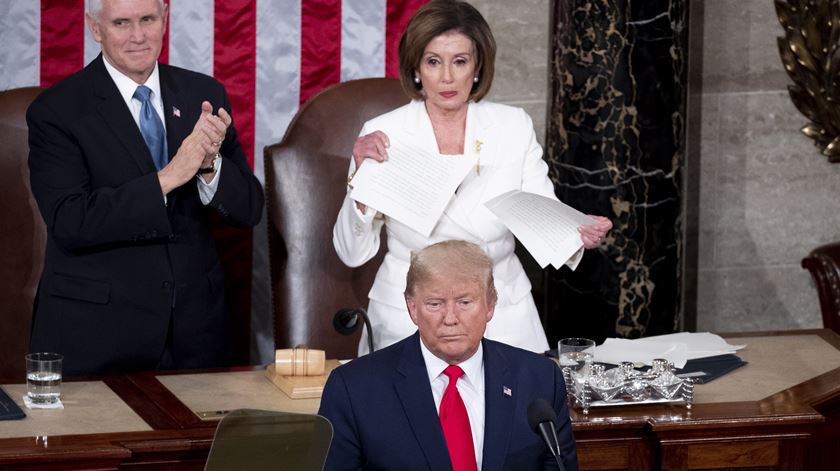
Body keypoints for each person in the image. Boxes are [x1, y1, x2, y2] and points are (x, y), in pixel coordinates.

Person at [333, 0, 612, 355]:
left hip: (502, 310)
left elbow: (543, 213)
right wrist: (362, 186)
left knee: (524, 406)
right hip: (410, 311)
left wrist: (576, 232)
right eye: (434, 62)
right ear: (416, 69)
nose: (447, 77)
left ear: (477, 68)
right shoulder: (383, 133)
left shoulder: (512, 126)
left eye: (460, 61)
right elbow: (351, 252)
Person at [26, 0, 264, 376]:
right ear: (95, 28)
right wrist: (169, 177)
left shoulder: (203, 94)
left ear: (165, 18)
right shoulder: (57, 110)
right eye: (121, 22)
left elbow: (249, 209)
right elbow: (70, 220)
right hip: (99, 335)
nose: (138, 36)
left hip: (195, 335)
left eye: (147, 19)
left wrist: (207, 165)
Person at [319, 240, 578, 471]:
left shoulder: (540, 379)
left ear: (490, 305)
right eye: (435, 304)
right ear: (412, 308)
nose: (451, 319)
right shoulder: (353, 389)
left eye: (465, 302)